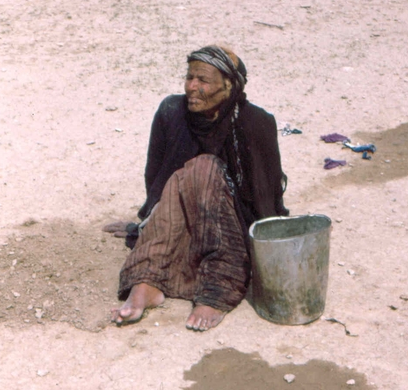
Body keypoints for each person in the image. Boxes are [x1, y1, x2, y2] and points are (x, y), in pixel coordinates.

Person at [104, 44, 288, 331]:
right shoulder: (171, 111)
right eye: (189, 78)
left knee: (204, 168)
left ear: (229, 86)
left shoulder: (255, 123)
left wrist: (271, 245)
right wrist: (144, 224)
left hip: (230, 226)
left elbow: (266, 194)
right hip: (175, 217)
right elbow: (156, 177)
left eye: (203, 80)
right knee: (189, 174)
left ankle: (216, 290)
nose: (192, 87)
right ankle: (148, 283)